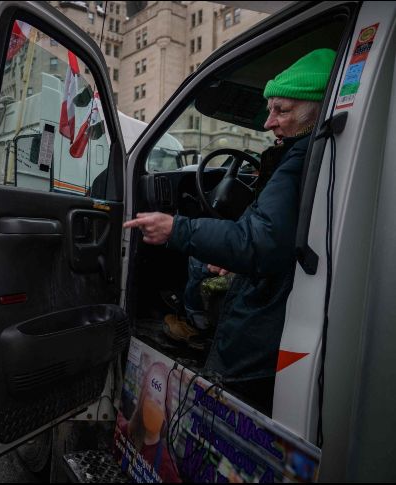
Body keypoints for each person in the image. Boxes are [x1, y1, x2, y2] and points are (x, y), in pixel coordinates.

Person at [123, 49, 336, 414]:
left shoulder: (301, 159)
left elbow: (258, 242)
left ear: (317, 109)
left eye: (281, 110)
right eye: (270, 110)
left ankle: (195, 323)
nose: (269, 123)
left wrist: (178, 227)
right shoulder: (308, 154)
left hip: (261, 324)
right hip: (273, 301)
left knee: (223, 413)